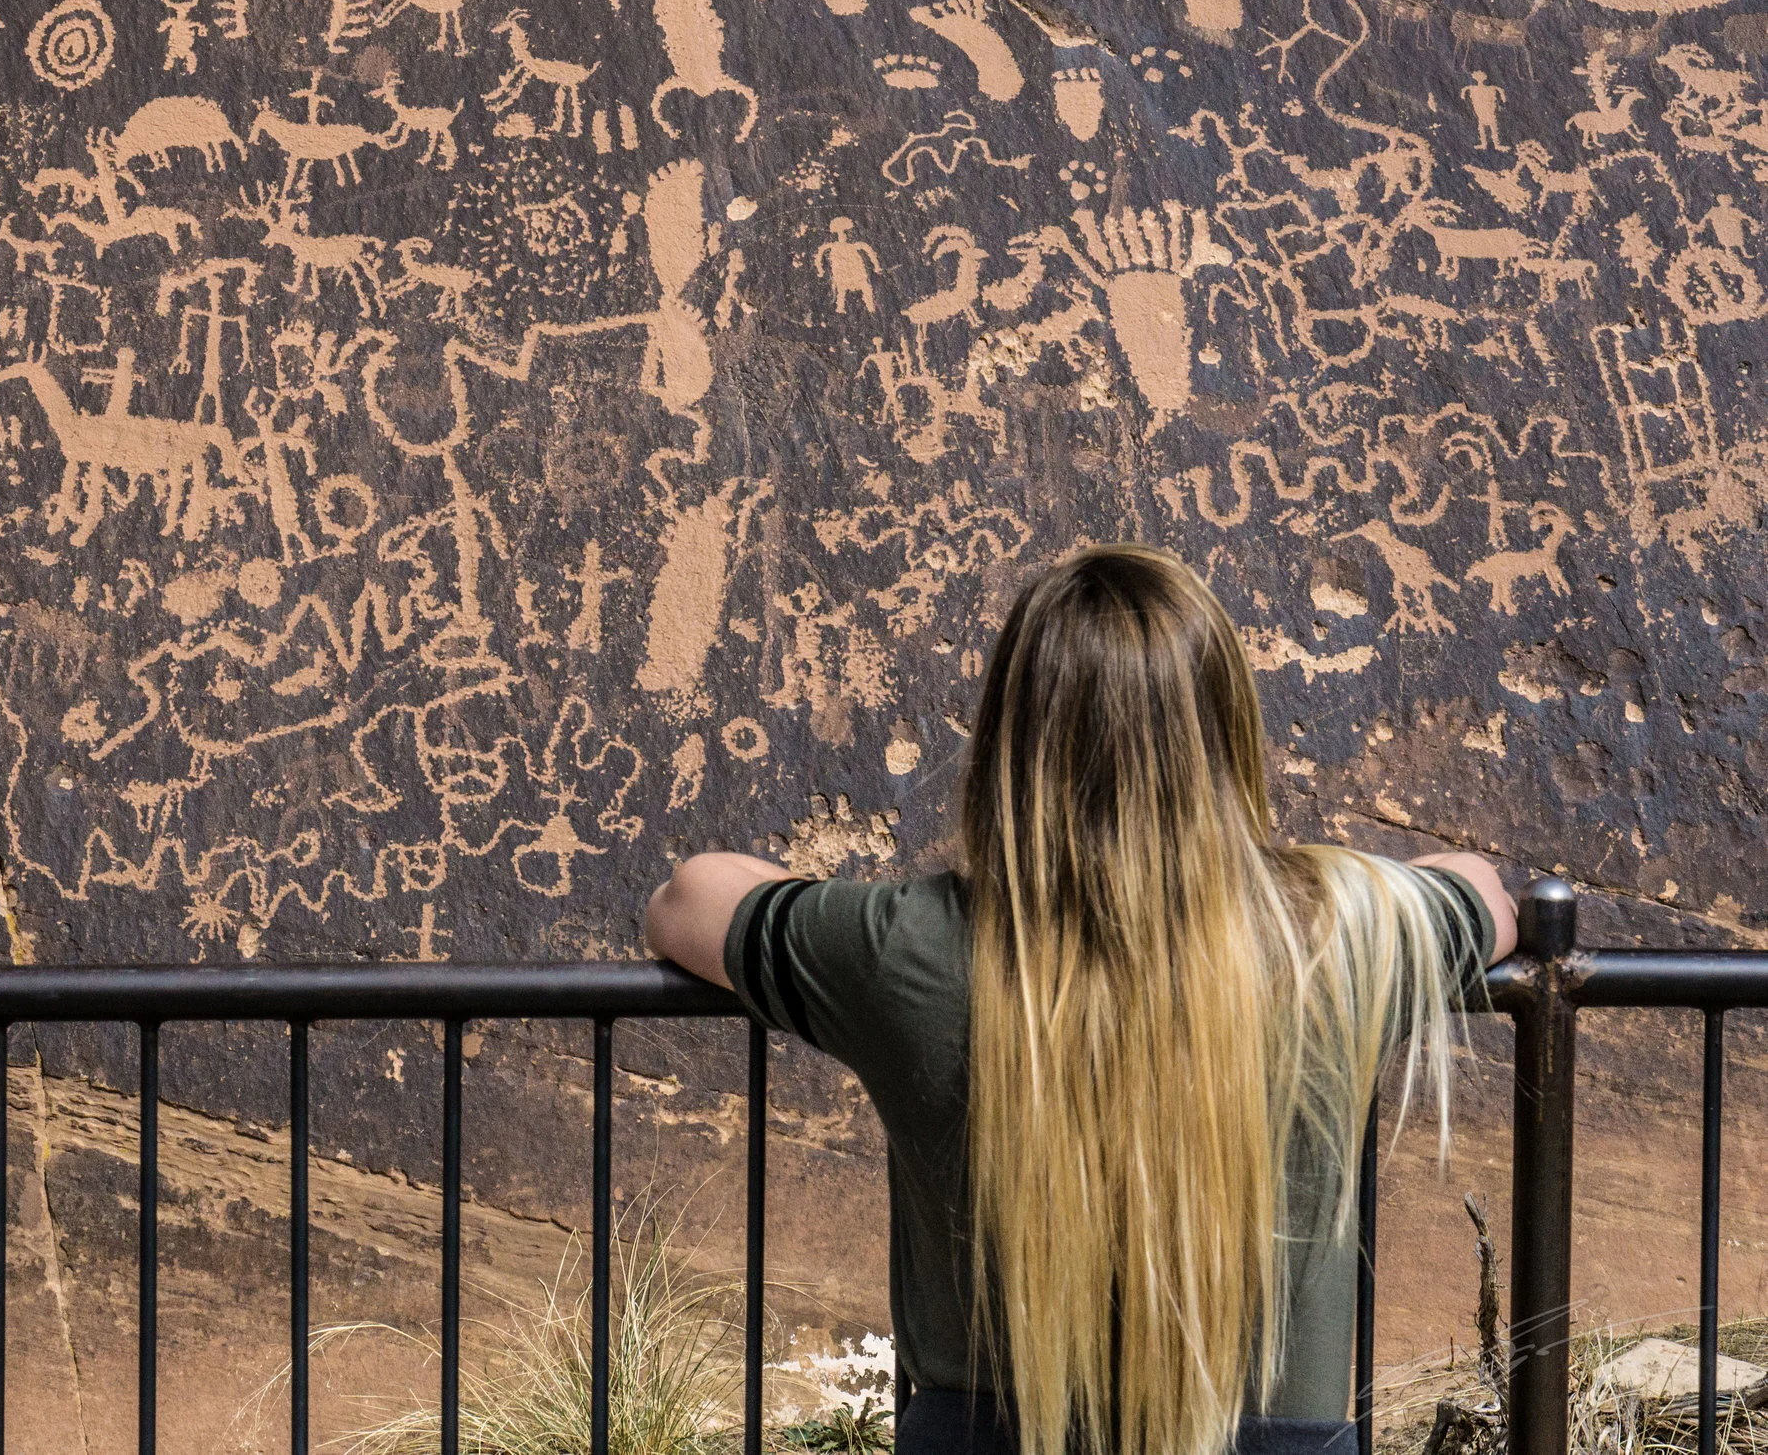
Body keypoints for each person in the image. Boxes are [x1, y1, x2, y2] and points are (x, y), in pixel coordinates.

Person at [644, 544, 1515, 1455]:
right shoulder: (1345, 931)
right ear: (1224, 734)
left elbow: (690, 896)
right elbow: (1485, 895)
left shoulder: (908, 944)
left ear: (1010, 737)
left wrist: (839, 918)